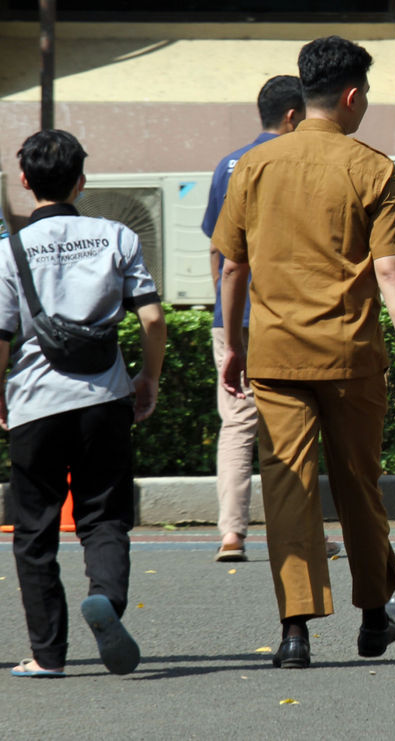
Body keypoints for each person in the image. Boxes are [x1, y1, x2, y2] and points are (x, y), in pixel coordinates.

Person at [213, 35, 395, 669]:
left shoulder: (252, 167)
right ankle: (372, 617)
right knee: (359, 485)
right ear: (352, 95)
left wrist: (233, 344)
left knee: (287, 488)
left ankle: (294, 632)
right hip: (351, 354)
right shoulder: (372, 168)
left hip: (276, 356)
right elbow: (390, 270)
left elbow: (233, 266)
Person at [1, 129, 166, 677]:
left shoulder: (9, 250)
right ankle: (107, 602)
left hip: (34, 402)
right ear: (82, 180)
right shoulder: (116, 235)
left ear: (25, 182)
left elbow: (1, 339)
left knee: (34, 530)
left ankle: (47, 655)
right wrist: (148, 378)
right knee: (104, 516)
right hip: (105, 397)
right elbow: (153, 319)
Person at [202, 75, 339, 563]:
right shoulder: (298, 162)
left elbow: (221, 253)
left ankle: (231, 534)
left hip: (232, 313)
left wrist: (226, 310)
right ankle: (307, 535)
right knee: (294, 427)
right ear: (291, 116)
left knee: (237, 423)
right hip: (287, 313)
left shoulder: (228, 165)